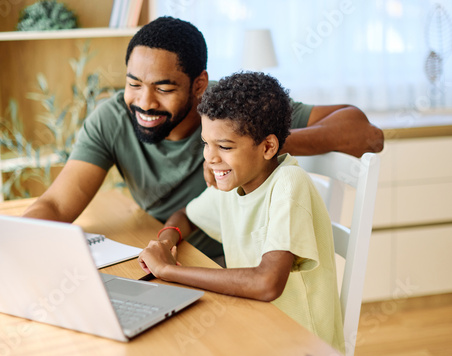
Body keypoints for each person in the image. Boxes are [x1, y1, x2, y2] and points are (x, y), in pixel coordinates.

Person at [22, 16, 383, 262]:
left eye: (163, 88)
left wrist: (255, 145)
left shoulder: (236, 115)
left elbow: (365, 133)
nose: (144, 102)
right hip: (175, 254)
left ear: (199, 85)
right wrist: (11, 244)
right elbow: (55, 206)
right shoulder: (112, 119)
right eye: (134, 84)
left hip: (236, 269)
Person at [138, 71, 344, 353]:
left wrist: (169, 270)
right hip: (252, 330)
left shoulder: (288, 185)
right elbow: (185, 216)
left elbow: (266, 283)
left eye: (224, 146)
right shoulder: (236, 185)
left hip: (300, 345)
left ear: (268, 147)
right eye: (206, 144)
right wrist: (165, 242)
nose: (210, 158)